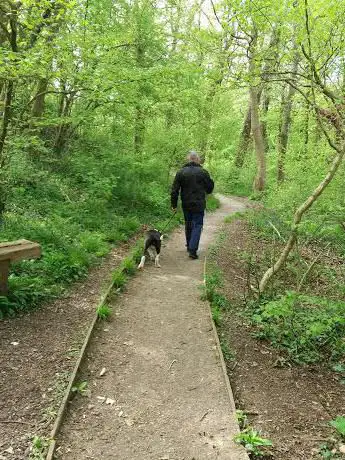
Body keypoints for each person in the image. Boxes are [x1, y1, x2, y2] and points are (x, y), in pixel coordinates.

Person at [171, 151, 214, 259]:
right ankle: (192, 250)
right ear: (197, 160)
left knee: (188, 224)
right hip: (199, 204)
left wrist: (174, 205)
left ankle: (189, 246)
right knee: (197, 225)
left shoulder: (181, 172)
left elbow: (174, 191)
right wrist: (210, 182)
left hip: (186, 203)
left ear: (188, 159)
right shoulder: (203, 172)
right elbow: (209, 189)